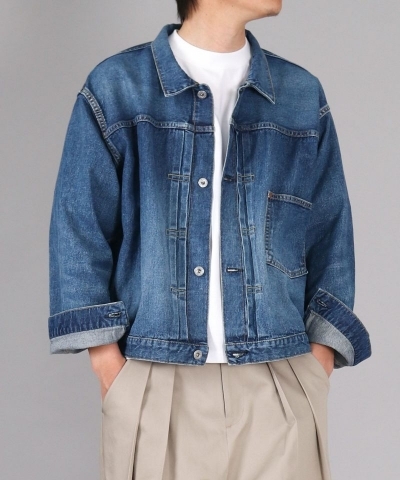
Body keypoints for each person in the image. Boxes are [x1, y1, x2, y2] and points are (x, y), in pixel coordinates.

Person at [47, 0, 372, 478]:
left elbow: (330, 232)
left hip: (279, 376)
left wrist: (317, 363)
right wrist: (109, 366)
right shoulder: (118, 88)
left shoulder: (300, 95)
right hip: (153, 378)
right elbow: (78, 226)